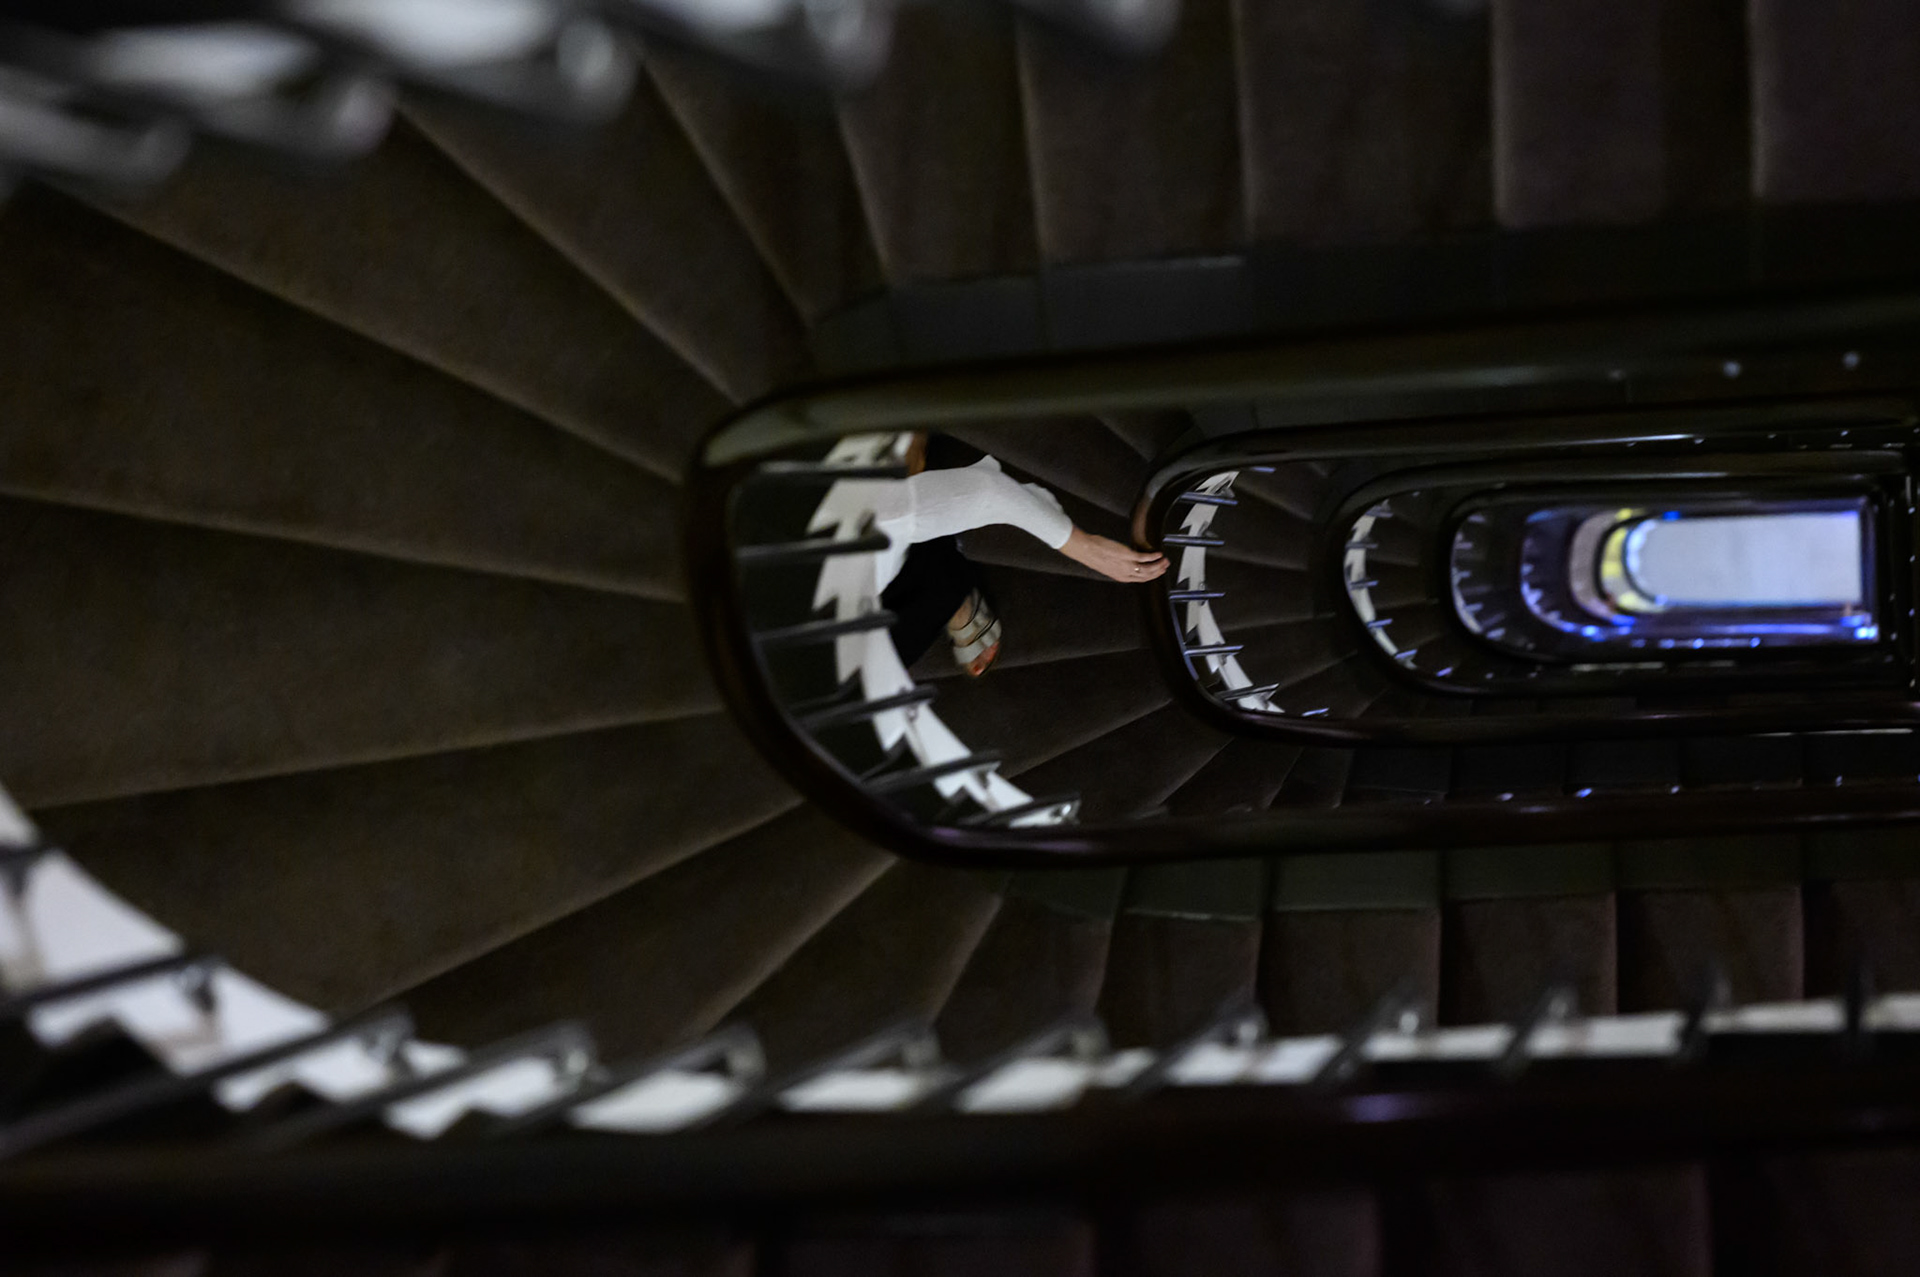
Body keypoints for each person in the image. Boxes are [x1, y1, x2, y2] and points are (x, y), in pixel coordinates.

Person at [871, 434, 1169, 677]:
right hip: (866, 588)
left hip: (870, 516)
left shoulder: (857, 539)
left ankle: (906, 445)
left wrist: (1082, 545)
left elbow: (987, 493)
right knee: (893, 646)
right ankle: (941, 579)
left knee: (898, 512)